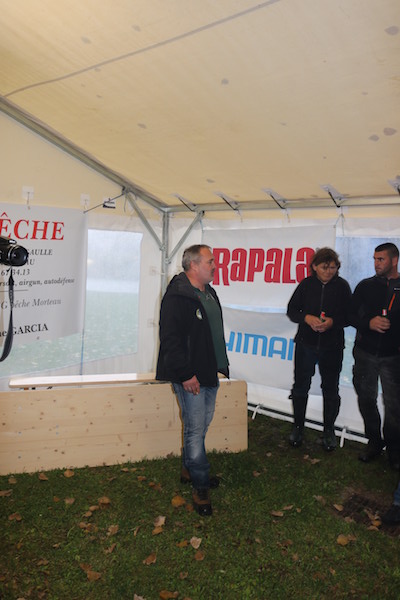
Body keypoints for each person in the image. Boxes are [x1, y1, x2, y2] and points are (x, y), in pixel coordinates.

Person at [156, 244, 229, 517]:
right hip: (191, 376)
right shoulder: (177, 296)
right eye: (210, 261)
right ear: (194, 265)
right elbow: (170, 340)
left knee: (202, 423)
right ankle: (200, 485)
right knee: (196, 429)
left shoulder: (209, 293)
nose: (215, 265)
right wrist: (186, 375)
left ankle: (189, 468)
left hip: (209, 372)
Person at [287, 247, 351, 451]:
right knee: (300, 386)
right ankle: (298, 427)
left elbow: (350, 316)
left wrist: (332, 322)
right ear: (314, 266)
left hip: (332, 346)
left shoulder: (342, 286)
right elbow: (291, 310)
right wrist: (306, 317)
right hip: (306, 344)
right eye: (325, 267)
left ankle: (329, 430)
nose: (329, 272)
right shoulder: (306, 285)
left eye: (333, 268)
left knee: (330, 388)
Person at [350, 242, 400, 469]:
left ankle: (394, 450)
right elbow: (349, 315)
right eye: (374, 259)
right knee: (366, 398)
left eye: (381, 259)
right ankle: (374, 442)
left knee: (394, 406)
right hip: (365, 353)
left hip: (393, 357)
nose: (376, 263)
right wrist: (368, 323)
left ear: (394, 260)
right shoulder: (365, 286)